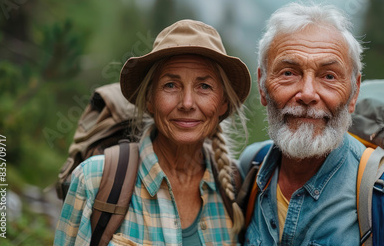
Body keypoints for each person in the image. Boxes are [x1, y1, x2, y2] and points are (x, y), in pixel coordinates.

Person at [239, 3, 384, 245]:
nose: (308, 94)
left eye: (328, 76)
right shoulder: (251, 169)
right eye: (288, 73)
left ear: (354, 93)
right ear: (262, 84)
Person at [55, 19, 251, 245]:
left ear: (223, 103)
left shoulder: (233, 189)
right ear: (149, 99)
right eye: (171, 85)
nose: (187, 103)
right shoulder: (93, 180)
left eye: (204, 86)